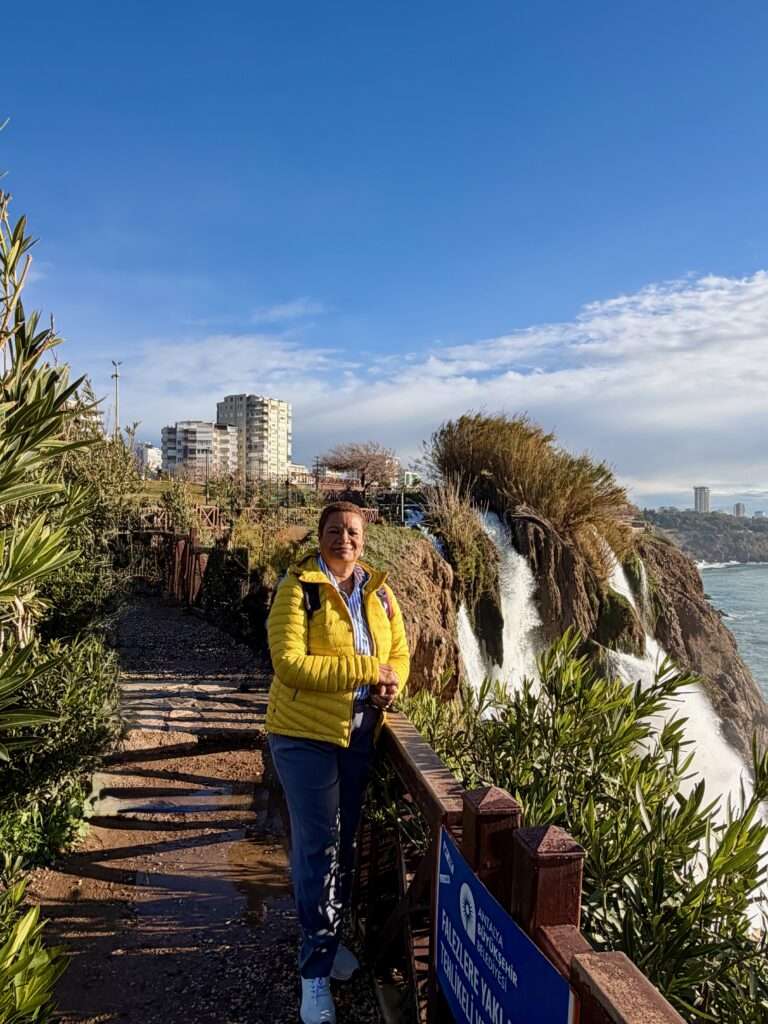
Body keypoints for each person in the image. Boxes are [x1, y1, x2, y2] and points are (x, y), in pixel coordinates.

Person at [266, 501, 410, 1024]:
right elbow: (290, 665)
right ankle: (314, 972)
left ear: (364, 539)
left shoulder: (379, 592)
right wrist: (370, 671)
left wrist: (392, 684)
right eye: (334, 530)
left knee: (344, 843)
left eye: (352, 531)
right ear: (320, 536)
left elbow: (400, 654)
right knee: (318, 849)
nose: (343, 539)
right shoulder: (298, 588)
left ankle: (328, 941)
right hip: (303, 736)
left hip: (359, 735)